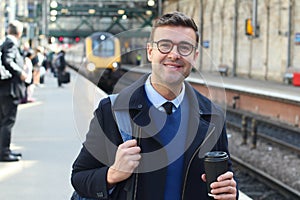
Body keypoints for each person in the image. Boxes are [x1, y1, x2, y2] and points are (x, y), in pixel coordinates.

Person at [71, 11, 238, 199]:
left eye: (185, 48)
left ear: (194, 56)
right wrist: (112, 174)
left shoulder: (212, 116)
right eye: (165, 45)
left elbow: (225, 178)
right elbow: (79, 177)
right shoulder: (112, 111)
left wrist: (231, 192)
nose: (174, 55)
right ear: (150, 51)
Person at [0, 20, 27, 162]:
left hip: (3, 89)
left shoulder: (4, 43)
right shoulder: (10, 44)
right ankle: (4, 153)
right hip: (9, 90)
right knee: (8, 122)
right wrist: (20, 72)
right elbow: (8, 61)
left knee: (3, 122)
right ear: (19, 32)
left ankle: (4, 150)